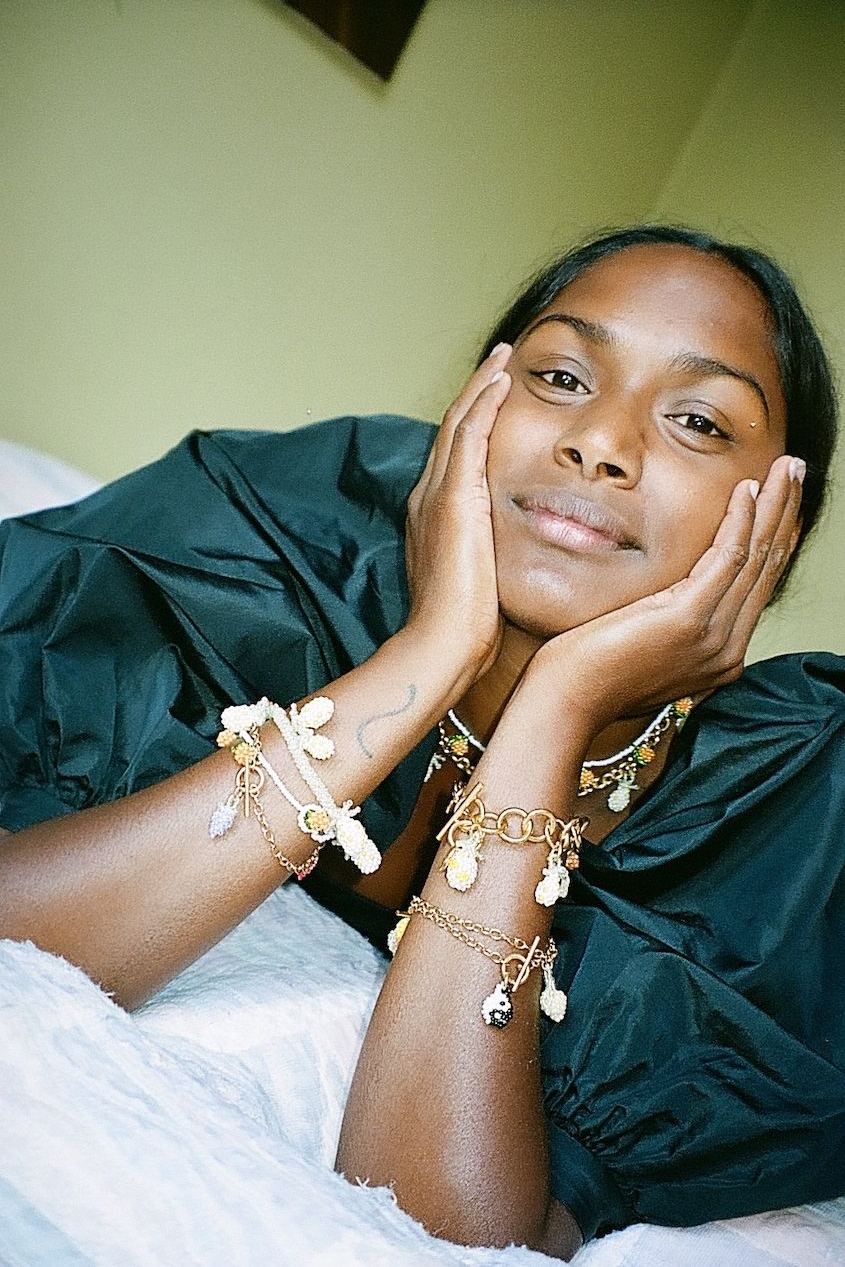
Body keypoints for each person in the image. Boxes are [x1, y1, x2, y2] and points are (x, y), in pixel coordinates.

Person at [0, 225, 843, 1261]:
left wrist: (554, 708)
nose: (601, 442)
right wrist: (433, 648)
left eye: (699, 422)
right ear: (472, 407)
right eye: (561, 374)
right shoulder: (284, 530)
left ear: (780, 526)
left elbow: (443, 1228)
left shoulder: (787, 812)